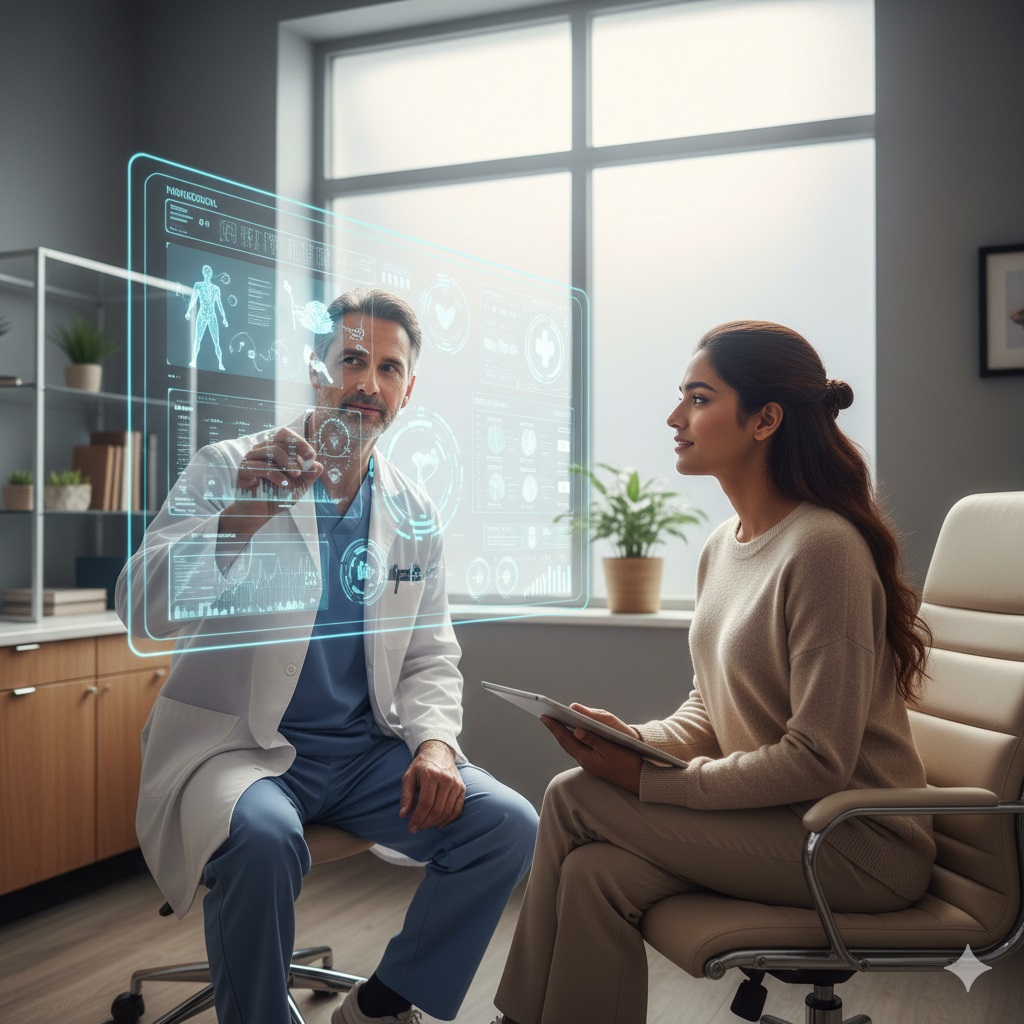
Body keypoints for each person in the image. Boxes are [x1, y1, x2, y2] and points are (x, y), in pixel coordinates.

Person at [490, 320, 936, 1024]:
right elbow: (712, 707)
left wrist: (649, 781)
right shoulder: (721, 547)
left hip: (855, 844)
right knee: (593, 874)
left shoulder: (825, 549)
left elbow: (818, 759)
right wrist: (635, 740)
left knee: (573, 797)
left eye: (698, 398)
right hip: (777, 824)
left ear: (766, 420)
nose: (675, 417)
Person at [117, 287, 538, 1024]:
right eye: (350, 359)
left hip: (364, 755)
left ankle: (381, 1007)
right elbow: (137, 604)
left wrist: (437, 744)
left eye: (387, 367)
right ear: (319, 368)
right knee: (263, 840)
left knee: (506, 824)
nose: (366, 384)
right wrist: (238, 519)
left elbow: (431, 653)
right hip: (239, 748)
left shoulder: (413, 511)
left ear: (409, 390)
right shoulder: (228, 467)